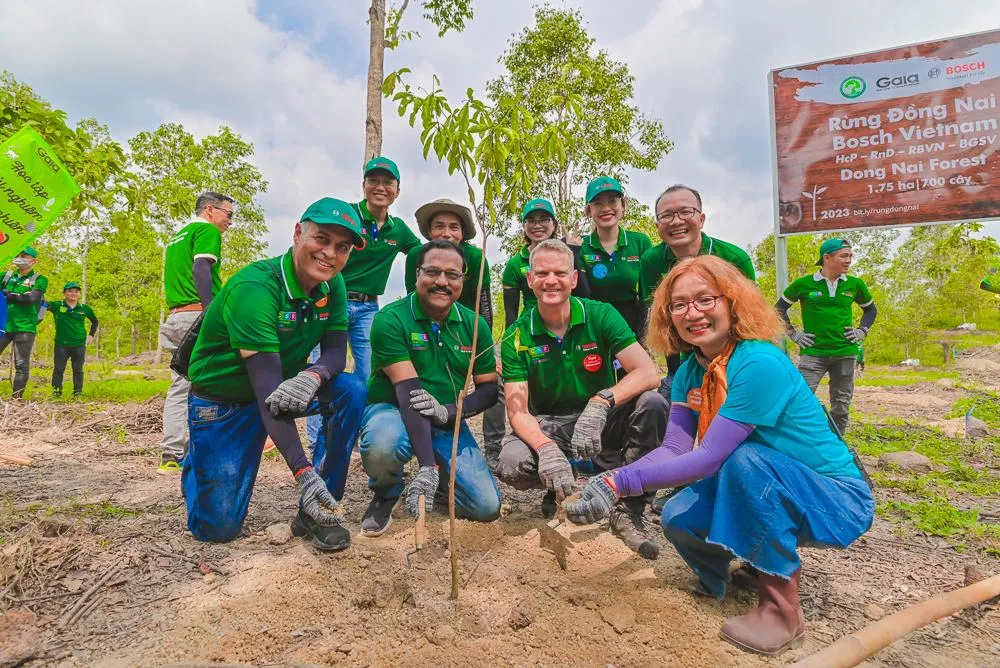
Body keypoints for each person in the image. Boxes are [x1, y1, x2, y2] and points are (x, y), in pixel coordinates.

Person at [564, 255, 874, 656]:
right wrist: (608, 481)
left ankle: (782, 612)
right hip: (767, 484)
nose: (692, 312)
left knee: (746, 460)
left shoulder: (758, 362)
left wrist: (619, 482)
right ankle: (726, 576)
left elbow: (710, 457)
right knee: (677, 515)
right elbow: (674, 448)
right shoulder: (691, 373)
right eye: (678, 305)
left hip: (834, 498)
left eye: (705, 299)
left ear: (732, 302)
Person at [182, 198, 367, 550]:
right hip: (225, 402)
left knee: (351, 390)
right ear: (298, 233)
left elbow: (333, 354)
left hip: (284, 387)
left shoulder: (333, 285)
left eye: (341, 247)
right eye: (322, 239)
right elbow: (268, 394)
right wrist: (302, 471)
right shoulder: (256, 289)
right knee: (216, 528)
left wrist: (312, 376)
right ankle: (202, 455)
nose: (329, 253)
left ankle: (319, 511)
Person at [496, 240, 668, 559]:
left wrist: (601, 402)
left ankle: (627, 507)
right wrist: (546, 448)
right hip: (550, 423)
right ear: (530, 280)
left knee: (653, 404)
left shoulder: (600, 314)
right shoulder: (517, 336)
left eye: (560, 273)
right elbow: (517, 409)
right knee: (512, 463)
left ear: (574, 279)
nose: (551, 280)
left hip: (601, 418)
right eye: (542, 273)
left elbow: (648, 372)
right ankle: (561, 482)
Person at [358, 239, 501, 536]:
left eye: (452, 275)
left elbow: (488, 390)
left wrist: (448, 413)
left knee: (486, 507)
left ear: (464, 280)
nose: (441, 282)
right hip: (395, 410)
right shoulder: (391, 319)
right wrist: (427, 466)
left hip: (446, 419)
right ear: (417, 275)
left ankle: (441, 484)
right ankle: (387, 492)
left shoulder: (475, 325)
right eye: (432, 272)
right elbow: (408, 392)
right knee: (384, 442)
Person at [639, 184, 756, 405]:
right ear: (657, 225)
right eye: (667, 216)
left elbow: (751, 318)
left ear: (701, 219)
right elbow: (661, 318)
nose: (676, 221)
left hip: (734, 355)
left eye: (685, 212)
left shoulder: (733, 258)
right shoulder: (651, 261)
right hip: (683, 358)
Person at [159, 192, 235, 474]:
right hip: (197, 315)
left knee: (180, 385)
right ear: (210, 210)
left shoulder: (178, 236)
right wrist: (210, 311)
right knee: (221, 379)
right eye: (228, 214)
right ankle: (216, 443)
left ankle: (172, 453)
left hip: (177, 316)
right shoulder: (206, 230)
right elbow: (202, 266)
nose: (230, 221)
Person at [777, 239, 877, 436]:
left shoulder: (855, 285)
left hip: (845, 352)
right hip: (814, 353)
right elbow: (779, 309)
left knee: (841, 405)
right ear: (827, 257)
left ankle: (835, 445)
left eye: (850, 256)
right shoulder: (803, 284)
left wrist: (862, 330)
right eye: (844, 256)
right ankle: (800, 442)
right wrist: (794, 334)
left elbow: (871, 310)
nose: (849, 260)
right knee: (799, 400)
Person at [338, 156, 421, 382]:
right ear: (364, 186)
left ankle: (362, 417)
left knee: (370, 371)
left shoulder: (399, 229)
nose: (380, 187)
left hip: (368, 308)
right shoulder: (346, 215)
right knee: (324, 366)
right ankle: (319, 419)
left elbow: (421, 253)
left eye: (388, 183)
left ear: (398, 190)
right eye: (373, 180)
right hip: (334, 300)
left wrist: (412, 294)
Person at [577, 177, 652, 340]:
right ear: (589, 210)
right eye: (597, 204)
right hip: (594, 321)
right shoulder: (580, 246)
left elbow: (648, 294)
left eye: (612, 201)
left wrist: (643, 337)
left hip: (631, 320)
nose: (606, 208)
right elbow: (580, 295)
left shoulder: (640, 242)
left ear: (623, 205)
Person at [501, 198, 590, 327]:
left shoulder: (569, 250)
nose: (537, 225)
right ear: (524, 226)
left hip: (568, 323)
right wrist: (511, 342)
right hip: (531, 328)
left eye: (544, 219)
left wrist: (573, 252)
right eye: (531, 221)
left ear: (554, 224)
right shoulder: (515, 264)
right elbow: (511, 312)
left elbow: (584, 294)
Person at [0, 247, 48, 398]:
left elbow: (31, 299)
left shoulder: (39, 279)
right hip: (3, 325)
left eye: (24, 256)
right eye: (18, 255)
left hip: (25, 327)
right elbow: (23, 297)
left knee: (21, 364)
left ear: (33, 260)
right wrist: (19, 296)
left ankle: (16, 399)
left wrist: (9, 295)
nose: (19, 257)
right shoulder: (6, 276)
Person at [49, 282, 98, 397]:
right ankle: (56, 393)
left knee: (78, 369)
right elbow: (40, 303)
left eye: (76, 292)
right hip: (61, 344)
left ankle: (78, 393)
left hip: (79, 344)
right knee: (59, 369)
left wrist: (91, 335)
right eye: (70, 291)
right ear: (65, 293)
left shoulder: (84, 308)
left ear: (79, 294)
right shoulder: (57, 305)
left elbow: (95, 321)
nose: (73, 294)